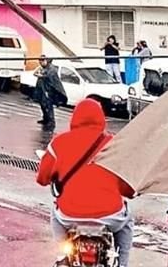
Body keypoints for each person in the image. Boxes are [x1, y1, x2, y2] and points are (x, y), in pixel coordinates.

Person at [36, 100, 135, 267]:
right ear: (101, 118)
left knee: (55, 213)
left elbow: (42, 179)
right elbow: (128, 188)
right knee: (127, 220)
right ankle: (122, 263)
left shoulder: (58, 143)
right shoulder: (114, 145)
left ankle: (62, 256)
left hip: (69, 215)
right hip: (110, 215)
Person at [34, 55, 67, 130]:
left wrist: (41, 76)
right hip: (42, 90)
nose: (40, 63)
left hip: (48, 91)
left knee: (48, 106)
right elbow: (36, 73)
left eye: (42, 61)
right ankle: (45, 119)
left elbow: (49, 78)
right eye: (39, 61)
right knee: (43, 105)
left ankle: (51, 122)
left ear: (46, 61)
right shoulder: (44, 68)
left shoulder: (51, 69)